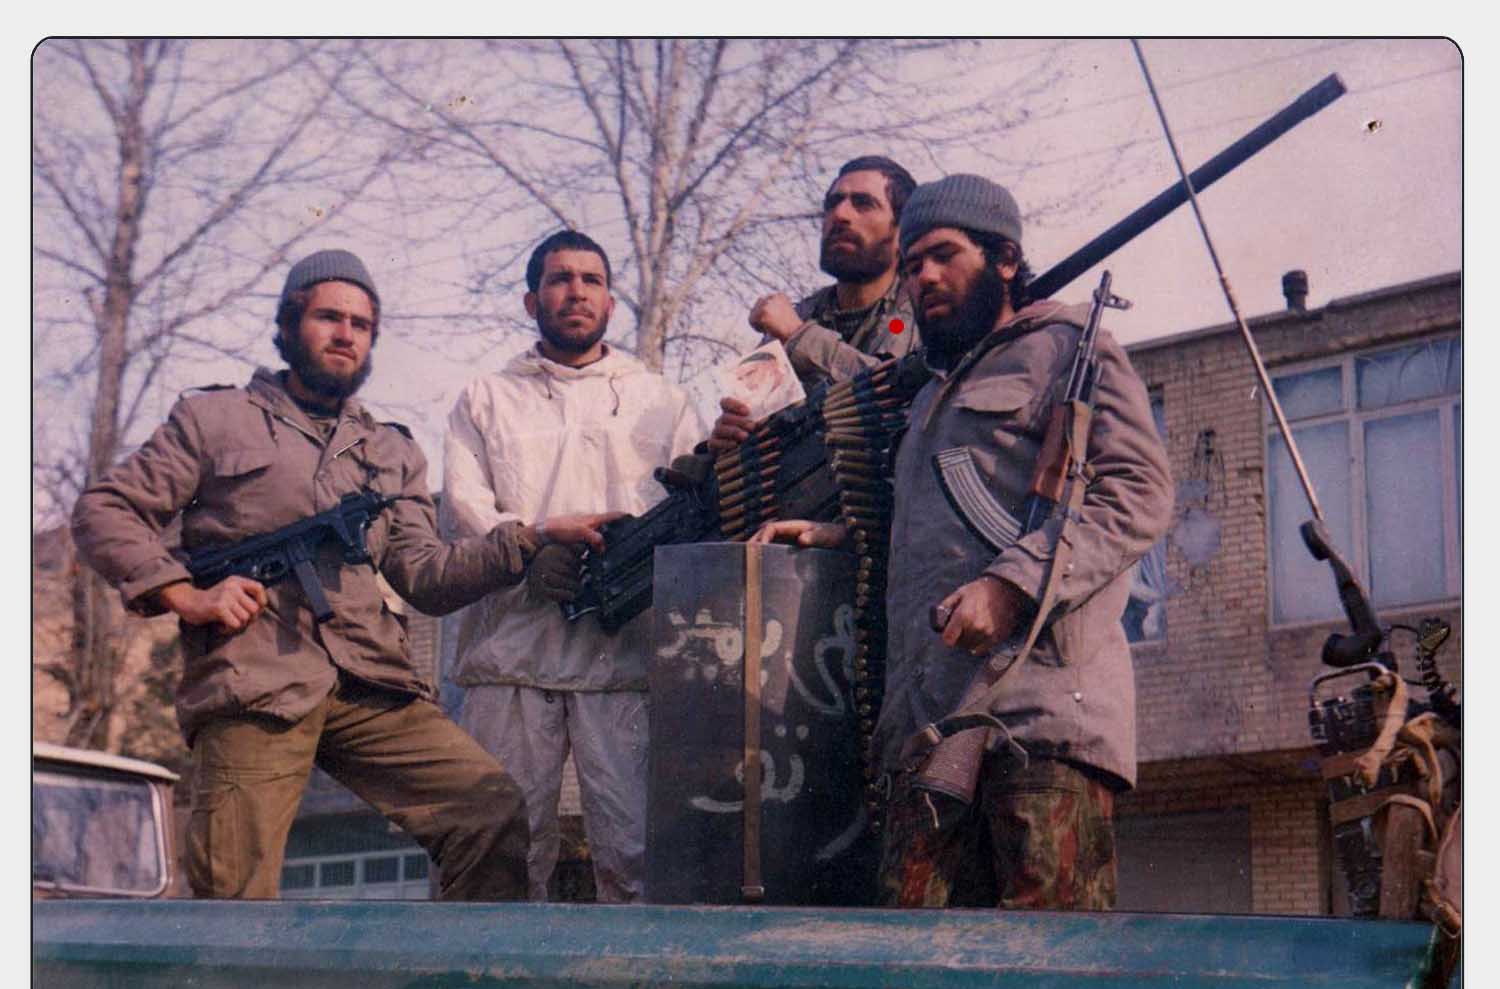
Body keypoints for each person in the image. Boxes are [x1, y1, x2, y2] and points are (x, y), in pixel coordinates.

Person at [72, 249, 617, 902]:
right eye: (328, 317)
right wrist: (185, 595)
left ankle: (460, 971)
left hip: (368, 679)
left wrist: (532, 536)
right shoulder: (215, 420)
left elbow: (426, 575)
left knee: (489, 811)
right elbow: (106, 509)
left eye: (361, 324)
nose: (345, 334)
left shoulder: (389, 450)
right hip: (256, 679)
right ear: (289, 324)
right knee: (234, 894)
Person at [756, 174, 1173, 911]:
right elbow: (940, 528)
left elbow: (1138, 493)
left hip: (1037, 725)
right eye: (913, 263)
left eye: (944, 256)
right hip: (928, 728)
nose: (923, 277)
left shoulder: (1068, 350)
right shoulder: (927, 395)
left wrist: (1012, 586)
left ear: (1005, 259)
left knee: (1050, 964)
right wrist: (841, 536)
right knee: (916, 966)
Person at [443, 230, 705, 902]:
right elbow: (464, 508)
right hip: (512, 655)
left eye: (592, 280)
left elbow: (692, 514)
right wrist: (527, 554)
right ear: (532, 301)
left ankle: (634, 974)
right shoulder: (486, 398)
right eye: (559, 279)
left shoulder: (661, 401)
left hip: (624, 660)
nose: (576, 292)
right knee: (502, 851)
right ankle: (497, 974)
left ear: (611, 302)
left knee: (637, 854)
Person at [708, 155, 920, 454]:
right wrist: (726, 437)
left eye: (863, 203)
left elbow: (902, 395)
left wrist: (799, 336)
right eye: (833, 203)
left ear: (902, 232)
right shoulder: (801, 315)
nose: (840, 214)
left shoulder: (923, 310)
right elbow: (747, 423)